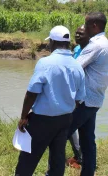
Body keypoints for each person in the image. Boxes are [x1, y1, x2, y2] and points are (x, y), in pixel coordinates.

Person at [15, 25, 86, 176]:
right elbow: (79, 98)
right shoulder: (77, 66)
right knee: (57, 158)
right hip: (65, 119)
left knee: (29, 158)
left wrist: (23, 116)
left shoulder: (45, 63)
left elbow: (31, 93)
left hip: (42, 120)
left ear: (52, 42)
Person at [67, 12, 108, 176]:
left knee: (60, 134)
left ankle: (53, 171)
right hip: (95, 99)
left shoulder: (96, 45)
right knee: (87, 140)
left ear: (95, 26)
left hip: (84, 100)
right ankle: (88, 172)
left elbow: (74, 68)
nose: (84, 28)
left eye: (87, 25)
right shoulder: (105, 43)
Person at [67, 24, 89, 169]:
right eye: (76, 33)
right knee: (75, 127)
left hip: (82, 95)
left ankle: (80, 157)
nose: (77, 36)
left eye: (81, 33)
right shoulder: (76, 49)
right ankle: (80, 156)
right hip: (73, 92)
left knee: (70, 126)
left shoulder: (88, 51)